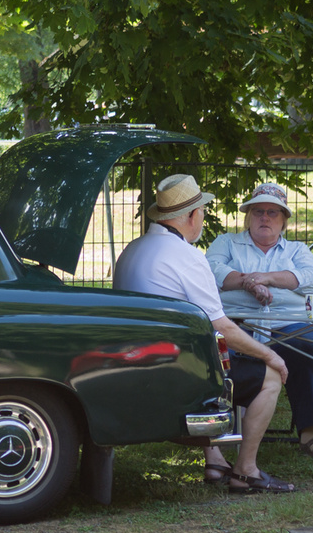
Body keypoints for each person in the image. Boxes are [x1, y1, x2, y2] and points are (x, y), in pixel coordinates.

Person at [113, 174, 297, 494]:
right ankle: (246, 470)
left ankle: (214, 460)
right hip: (173, 374)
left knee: (217, 356)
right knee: (267, 374)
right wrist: (271, 355)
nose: (202, 218)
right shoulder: (186, 256)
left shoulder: (134, 249)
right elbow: (221, 326)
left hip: (135, 363)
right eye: (201, 211)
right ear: (191, 216)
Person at [205, 182, 313, 458]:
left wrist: (266, 278)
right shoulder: (227, 243)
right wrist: (248, 284)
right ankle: (219, 432)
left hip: (286, 324)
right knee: (218, 353)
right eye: (259, 211)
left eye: (273, 213)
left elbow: (311, 280)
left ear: (284, 221)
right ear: (248, 216)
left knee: (309, 348)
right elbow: (213, 272)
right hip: (237, 324)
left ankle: (310, 434)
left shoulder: (297, 250)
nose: (265, 217)